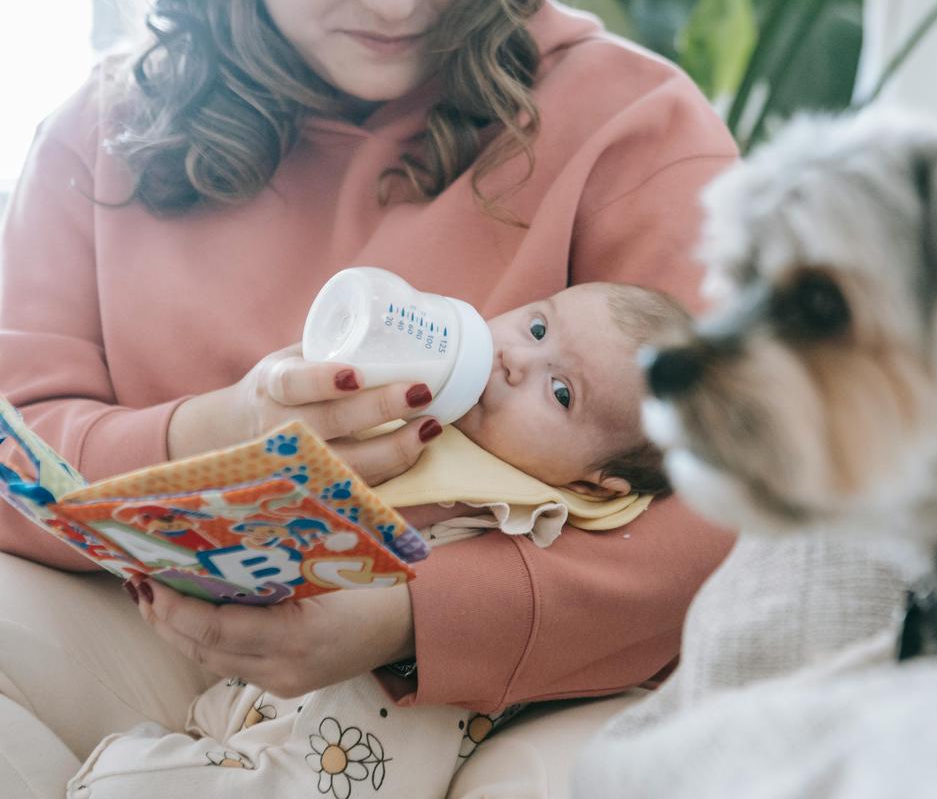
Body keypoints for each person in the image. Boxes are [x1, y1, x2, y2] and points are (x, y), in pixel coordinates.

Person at [0, 0, 736, 785]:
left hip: (488, 686)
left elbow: (746, 499)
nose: (395, 7)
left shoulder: (632, 123)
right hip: (145, 617)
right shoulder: (97, 138)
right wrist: (217, 433)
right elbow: (19, 444)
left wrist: (412, 617)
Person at [67, 281, 690, 799]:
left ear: (599, 485)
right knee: (221, 730)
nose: (515, 361)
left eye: (561, 393)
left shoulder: (543, 508)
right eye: (536, 328)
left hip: (386, 726)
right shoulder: (417, 408)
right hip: (259, 682)